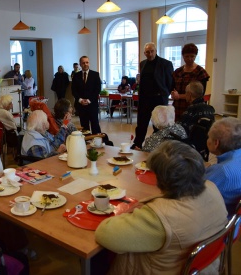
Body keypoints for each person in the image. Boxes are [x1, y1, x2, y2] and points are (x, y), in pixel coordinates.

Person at [95, 140, 228, 274]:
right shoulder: (212, 188)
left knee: (98, 258)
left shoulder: (159, 217)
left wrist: (128, 212)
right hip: (207, 267)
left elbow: (104, 234)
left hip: (161, 270)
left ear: (160, 178)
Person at [131, 42, 174, 150]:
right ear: (144, 53)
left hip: (159, 98)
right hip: (145, 99)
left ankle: (157, 145)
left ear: (155, 51)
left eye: (151, 51)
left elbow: (170, 83)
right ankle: (138, 143)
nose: (150, 54)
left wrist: (163, 94)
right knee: (141, 123)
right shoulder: (142, 64)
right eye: (147, 52)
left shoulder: (166, 64)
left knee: (158, 124)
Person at [205, 117, 241, 215]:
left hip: (218, 221)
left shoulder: (222, 171)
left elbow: (193, 195)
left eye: (209, 137)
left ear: (216, 143)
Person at [171, 43, 210, 120]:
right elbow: (172, 88)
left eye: (192, 56)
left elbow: (200, 94)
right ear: (183, 56)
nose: (189, 59)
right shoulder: (178, 72)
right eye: (187, 56)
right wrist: (174, 94)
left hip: (194, 107)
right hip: (179, 106)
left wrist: (179, 96)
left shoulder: (201, 72)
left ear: (196, 56)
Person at [71, 56, 102, 134]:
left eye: (87, 62)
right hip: (81, 106)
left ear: (89, 63)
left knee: (95, 124)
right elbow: (74, 90)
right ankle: (87, 142)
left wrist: (89, 100)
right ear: (80, 64)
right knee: (84, 126)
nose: (85, 64)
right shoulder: (76, 76)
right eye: (83, 63)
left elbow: (97, 90)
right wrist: (80, 100)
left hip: (92, 104)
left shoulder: (95, 75)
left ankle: (97, 141)